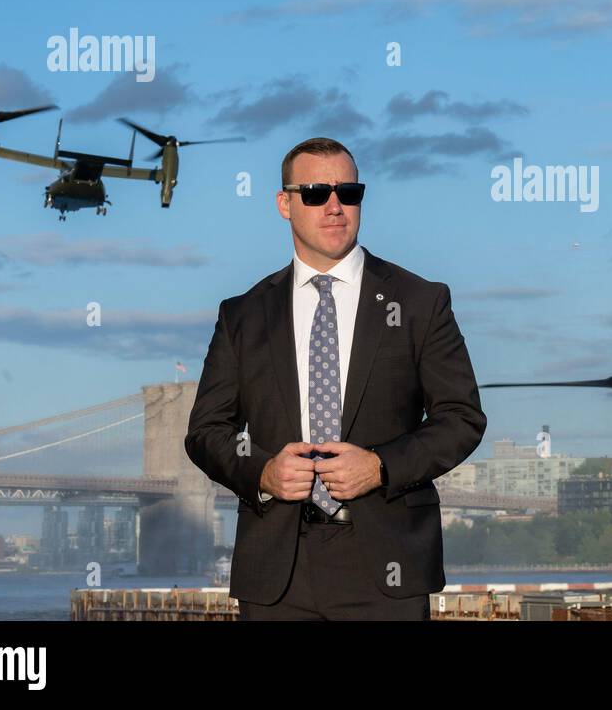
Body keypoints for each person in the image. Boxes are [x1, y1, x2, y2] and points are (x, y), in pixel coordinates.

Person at [185, 137, 486, 619]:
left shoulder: (418, 301)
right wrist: (261, 472)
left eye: (348, 192)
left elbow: (461, 418)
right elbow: (206, 433)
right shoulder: (242, 315)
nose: (334, 206)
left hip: (387, 568)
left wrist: (381, 466)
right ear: (284, 204)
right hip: (276, 571)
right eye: (315, 193)